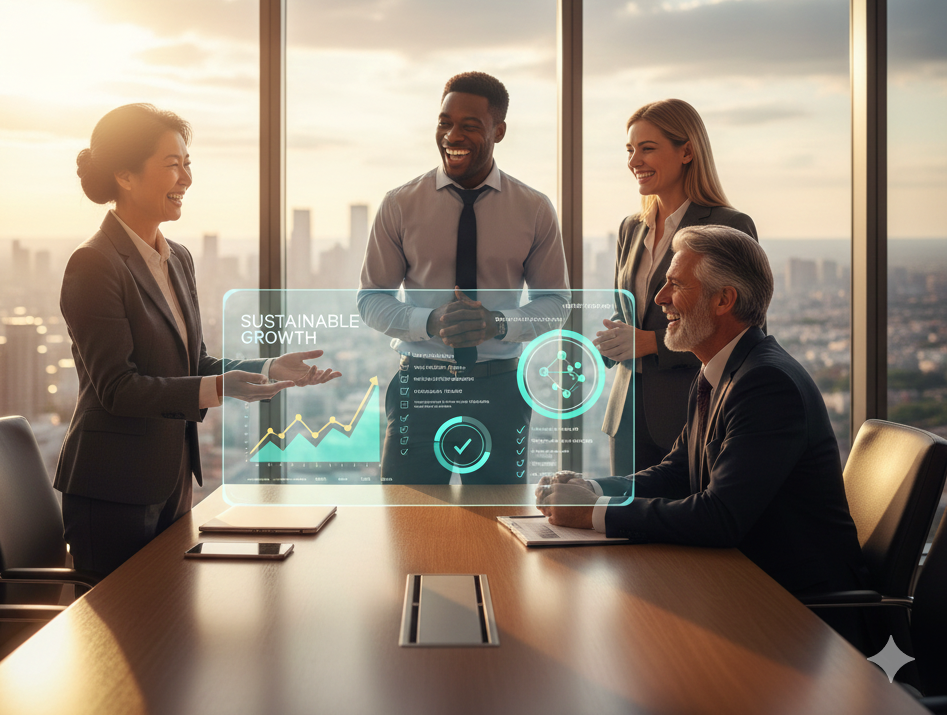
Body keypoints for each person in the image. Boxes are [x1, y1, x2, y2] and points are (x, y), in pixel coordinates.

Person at [55, 103, 340, 577]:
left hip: (171, 478)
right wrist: (222, 387)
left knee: (168, 628)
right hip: (111, 490)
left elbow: (194, 361)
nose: (186, 178)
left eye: (188, 164)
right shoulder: (94, 264)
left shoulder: (178, 258)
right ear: (125, 176)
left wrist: (267, 368)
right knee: (122, 639)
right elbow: (118, 388)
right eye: (172, 165)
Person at [536, 225, 869, 605]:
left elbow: (720, 517)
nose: (661, 298)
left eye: (676, 285)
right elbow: (677, 472)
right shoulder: (719, 370)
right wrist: (592, 490)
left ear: (723, 300)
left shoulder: (766, 384)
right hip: (742, 580)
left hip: (797, 608)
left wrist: (594, 513)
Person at [357, 72, 570, 484]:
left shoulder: (534, 209)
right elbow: (370, 299)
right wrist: (430, 322)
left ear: (499, 130)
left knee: (498, 527)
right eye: (444, 122)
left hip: (500, 390)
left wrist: (499, 323)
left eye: (470, 125)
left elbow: (556, 302)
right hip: (421, 388)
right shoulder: (400, 205)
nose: (452, 134)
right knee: (408, 526)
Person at [597, 99, 759, 477]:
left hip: (690, 411)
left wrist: (651, 342)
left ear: (687, 151)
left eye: (647, 148)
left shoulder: (728, 225)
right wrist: (611, 343)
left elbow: (743, 333)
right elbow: (631, 315)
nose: (634, 160)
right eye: (630, 150)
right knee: (622, 527)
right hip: (626, 414)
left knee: (682, 527)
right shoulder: (631, 228)